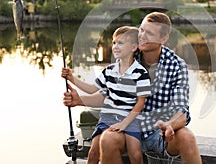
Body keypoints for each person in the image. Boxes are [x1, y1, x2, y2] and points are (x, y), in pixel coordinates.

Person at [63, 12, 202, 164]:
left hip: (159, 133)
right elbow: (109, 95)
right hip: (128, 129)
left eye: (149, 33)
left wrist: (170, 125)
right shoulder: (127, 57)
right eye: (141, 30)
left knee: (187, 138)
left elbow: (182, 110)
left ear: (163, 39)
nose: (142, 35)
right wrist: (80, 100)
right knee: (107, 139)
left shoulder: (177, 65)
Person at [62, 26, 151, 164]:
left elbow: (141, 102)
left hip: (131, 120)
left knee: (135, 155)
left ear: (134, 47)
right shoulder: (109, 71)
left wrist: (124, 123)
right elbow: (92, 89)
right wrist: (72, 78)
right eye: (114, 42)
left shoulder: (140, 73)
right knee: (93, 153)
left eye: (120, 43)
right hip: (108, 118)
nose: (115, 46)